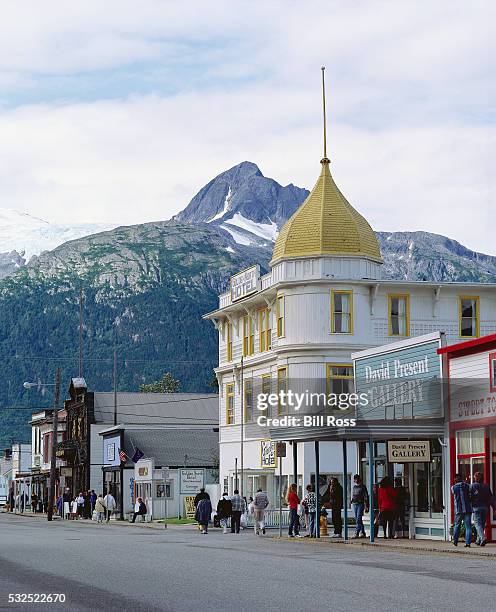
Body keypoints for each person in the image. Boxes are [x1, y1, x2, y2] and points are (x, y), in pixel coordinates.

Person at [470, 472, 494, 546]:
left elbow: (470, 496)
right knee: (482, 524)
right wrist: (494, 508)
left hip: (476, 507)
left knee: (477, 524)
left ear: (476, 478)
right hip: (485, 507)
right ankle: (478, 540)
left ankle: (483, 538)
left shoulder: (473, 486)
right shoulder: (486, 486)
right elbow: (491, 498)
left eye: (474, 477)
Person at [452, 473, 472, 547]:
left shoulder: (453, 487)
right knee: (468, 527)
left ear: (455, 479)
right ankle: (468, 543)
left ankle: (455, 541)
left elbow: (454, 494)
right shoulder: (468, 486)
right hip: (468, 509)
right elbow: (473, 494)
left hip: (458, 510)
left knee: (457, 525)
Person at [351, 474, 369, 539]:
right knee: (358, 519)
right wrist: (352, 500)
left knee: (358, 518)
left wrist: (366, 506)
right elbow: (353, 495)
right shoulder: (354, 487)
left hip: (360, 504)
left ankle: (357, 533)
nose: (355, 480)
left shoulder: (363, 487)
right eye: (355, 479)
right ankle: (363, 532)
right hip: (354, 504)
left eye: (356, 479)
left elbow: (366, 497)